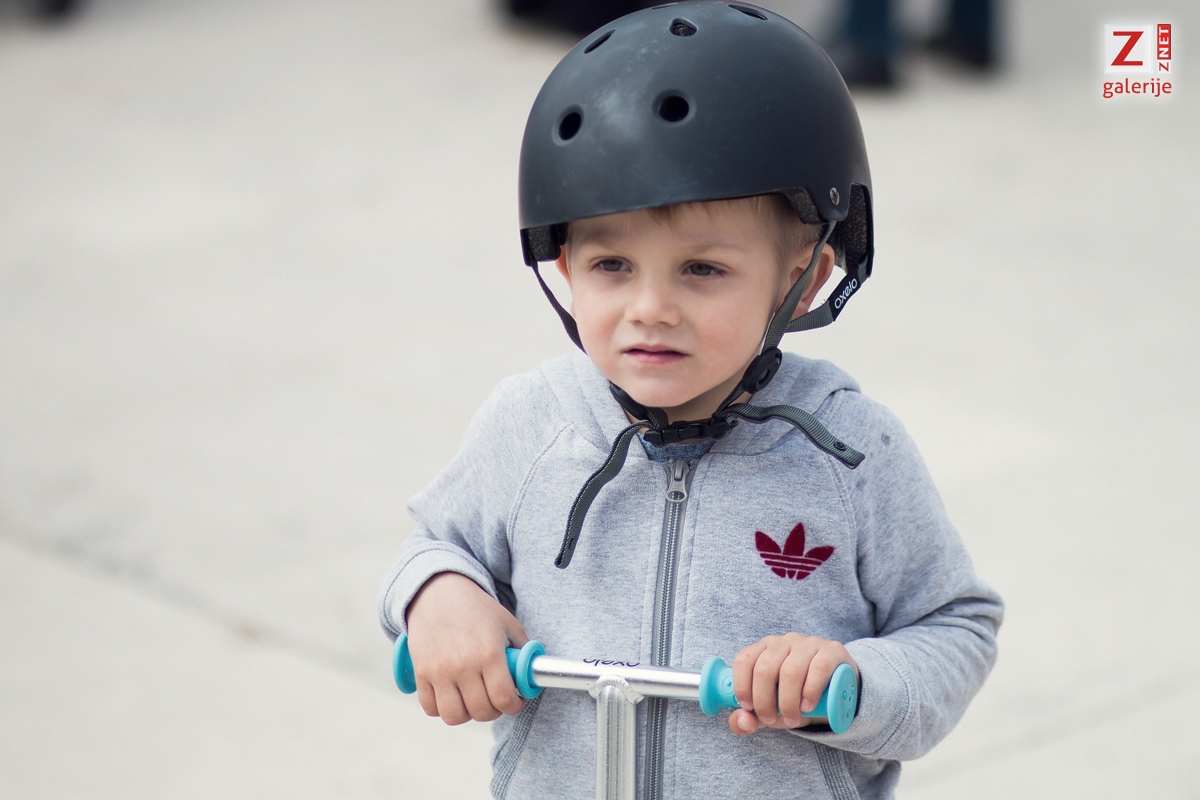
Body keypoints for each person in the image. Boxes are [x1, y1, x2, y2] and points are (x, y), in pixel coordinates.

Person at [377, 3, 1003, 798]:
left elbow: (955, 628)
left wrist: (854, 680)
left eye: (702, 270)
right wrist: (438, 596)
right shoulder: (531, 424)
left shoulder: (851, 453)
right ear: (564, 265)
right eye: (611, 266)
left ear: (803, 278)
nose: (651, 308)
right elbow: (435, 544)